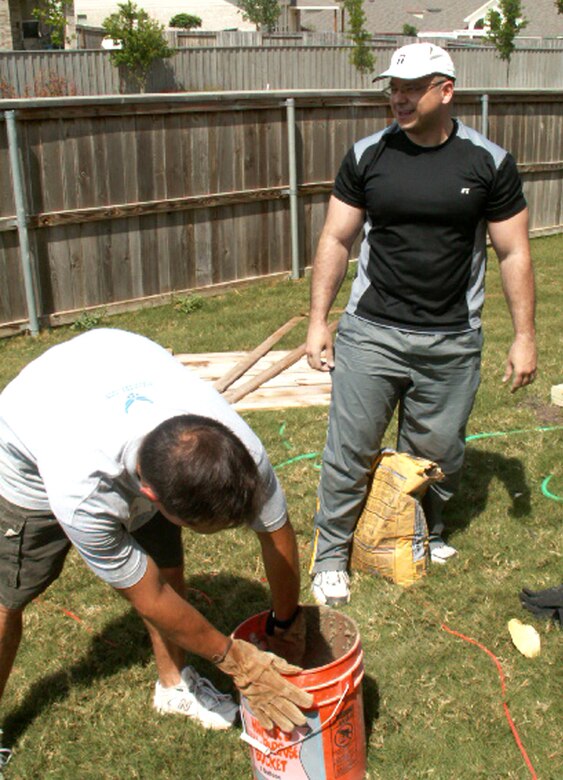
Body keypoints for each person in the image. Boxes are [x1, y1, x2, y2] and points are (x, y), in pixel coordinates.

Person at [0, 328, 313, 769]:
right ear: (151, 497)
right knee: (7, 599)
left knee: (166, 563)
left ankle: (174, 686)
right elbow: (149, 596)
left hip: (115, 361)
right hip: (27, 444)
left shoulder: (233, 448)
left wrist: (286, 622)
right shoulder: (83, 492)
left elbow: (276, 532)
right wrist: (236, 660)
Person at [306, 42, 537, 606]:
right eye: (393, 87)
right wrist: (319, 320)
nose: (399, 98)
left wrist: (525, 336)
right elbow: (337, 238)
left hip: (453, 338)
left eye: (411, 87)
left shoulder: (489, 162)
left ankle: (421, 535)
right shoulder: (367, 156)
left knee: (437, 453)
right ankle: (332, 552)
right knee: (351, 449)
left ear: (446, 91)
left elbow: (514, 253)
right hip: (372, 332)